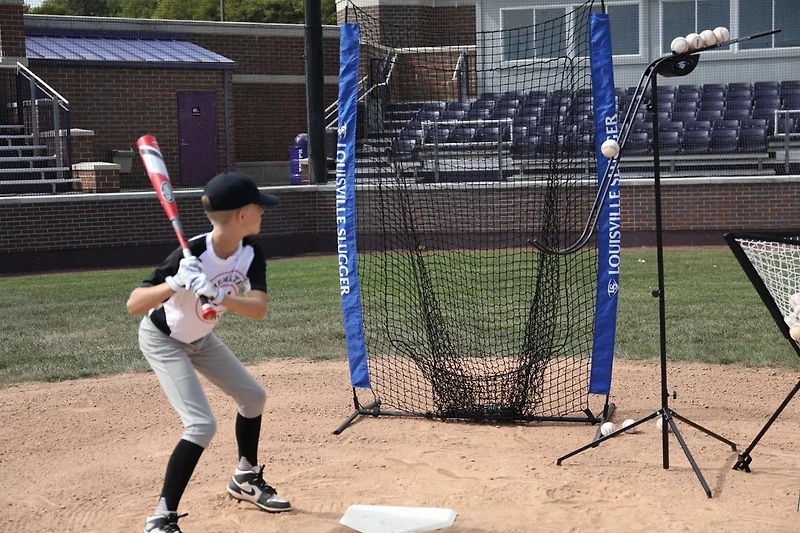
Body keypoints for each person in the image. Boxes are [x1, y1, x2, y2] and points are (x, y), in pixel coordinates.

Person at [126, 172, 290, 533]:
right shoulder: (194, 253)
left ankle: (245, 478)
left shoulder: (250, 252)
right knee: (201, 424)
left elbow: (259, 309)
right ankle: (161, 517)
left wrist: (220, 296)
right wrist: (173, 283)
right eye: (258, 207)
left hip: (201, 339)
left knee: (253, 397)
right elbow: (134, 304)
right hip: (164, 339)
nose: (264, 211)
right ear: (241, 214)